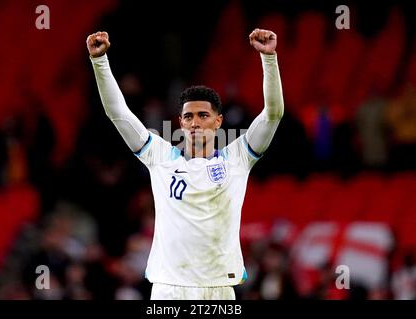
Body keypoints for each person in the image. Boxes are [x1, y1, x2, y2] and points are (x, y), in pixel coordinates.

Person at [86, 28, 284, 300]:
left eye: (203, 115)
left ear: (218, 121)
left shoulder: (238, 158)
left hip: (219, 288)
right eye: (188, 117)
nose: (195, 122)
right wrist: (100, 62)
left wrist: (269, 59)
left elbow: (273, 114)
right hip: (169, 287)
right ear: (180, 123)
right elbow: (117, 113)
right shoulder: (160, 157)